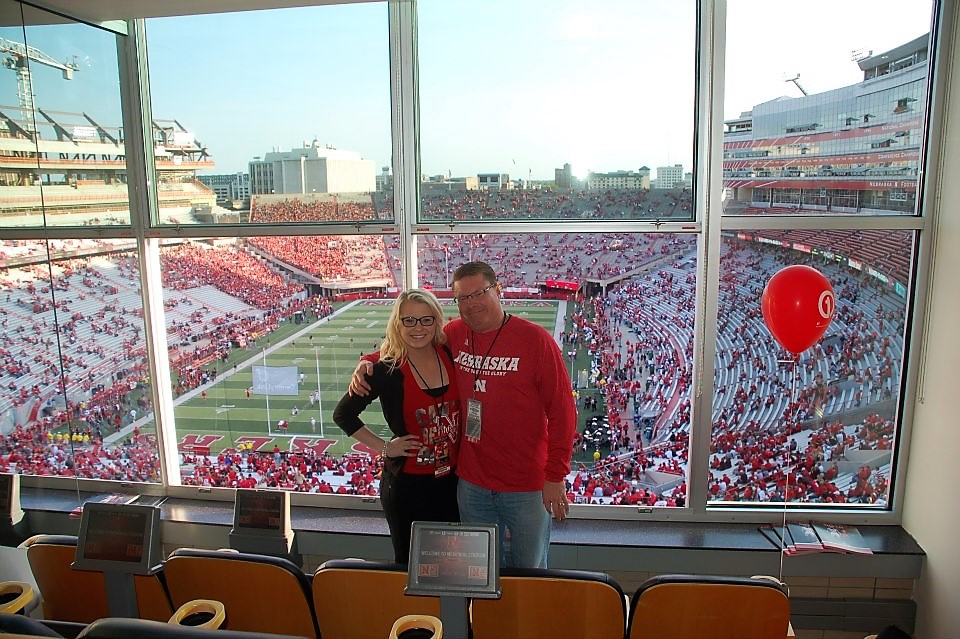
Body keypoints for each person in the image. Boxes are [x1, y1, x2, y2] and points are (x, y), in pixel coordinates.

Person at [352, 262, 576, 568]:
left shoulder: (536, 341)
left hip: (527, 484)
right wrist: (368, 361)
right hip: (472, 484)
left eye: (479, 293)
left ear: (498, 290)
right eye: (462, 298)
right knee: (479, 571)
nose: (471, 303)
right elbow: (412, 343)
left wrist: (555, 475)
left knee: (530, 570)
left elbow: (563, 411)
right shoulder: (455, 333)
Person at [334, 288, 462, 564]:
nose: (419, 328)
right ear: (397, 323)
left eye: (426, 319)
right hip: (408, 485)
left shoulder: (449, 354)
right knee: (411, 564)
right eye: (409, 320)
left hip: (451, 481)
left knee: (451, 563)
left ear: (437, 321)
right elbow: (343, 414)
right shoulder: (386, 369)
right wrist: (384, 447)